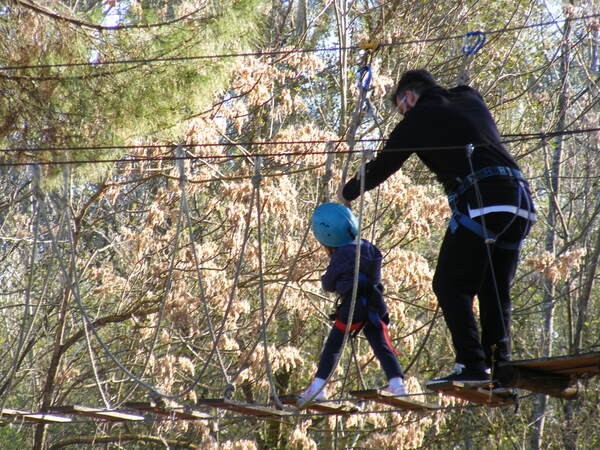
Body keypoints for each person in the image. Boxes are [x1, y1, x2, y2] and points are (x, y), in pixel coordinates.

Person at [338, 69, 536, 385]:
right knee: (494, 289)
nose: (402, 114)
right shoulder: (469, 96)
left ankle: (472, 364)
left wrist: (347, 193)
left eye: (401, 107)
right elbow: (464, 105)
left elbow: (384, 165)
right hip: (521, 203)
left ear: (409, 97)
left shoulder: (416, 120)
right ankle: (500, 364)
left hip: (483, 202)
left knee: (448, 285)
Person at [299, 202, 406, 403]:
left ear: (327, 237)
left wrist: (335, 281)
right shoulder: (370, 248)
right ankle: (397, 384)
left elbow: (329, 283)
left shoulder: (341, 255)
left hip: (354, 307)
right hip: (375, 304)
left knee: (334, 345)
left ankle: (318, 387)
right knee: (381, 345)